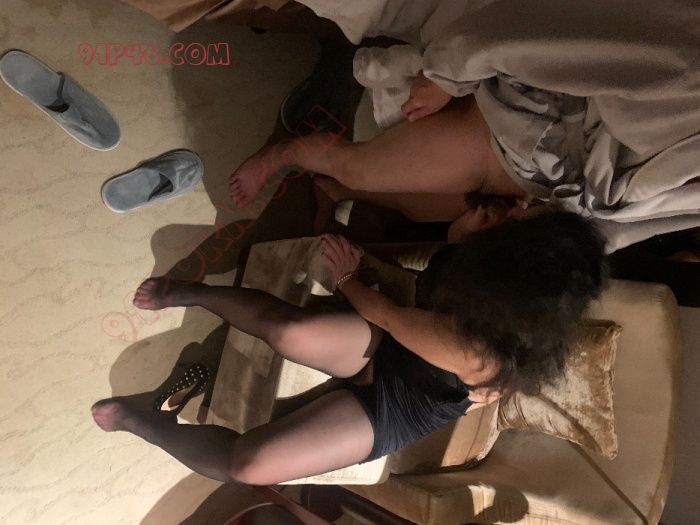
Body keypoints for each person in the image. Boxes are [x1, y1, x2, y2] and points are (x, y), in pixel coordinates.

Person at [91, 211, 606, 484]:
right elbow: (415, 294)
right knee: (289, 331)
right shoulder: (483, 265)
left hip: (399, 405)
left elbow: (385, 313)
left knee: (251, 467)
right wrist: (471, 227)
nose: (515, 211)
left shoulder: (482, 353)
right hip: (394, 350)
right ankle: (192, 292)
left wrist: (348, 277)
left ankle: (145, 424)